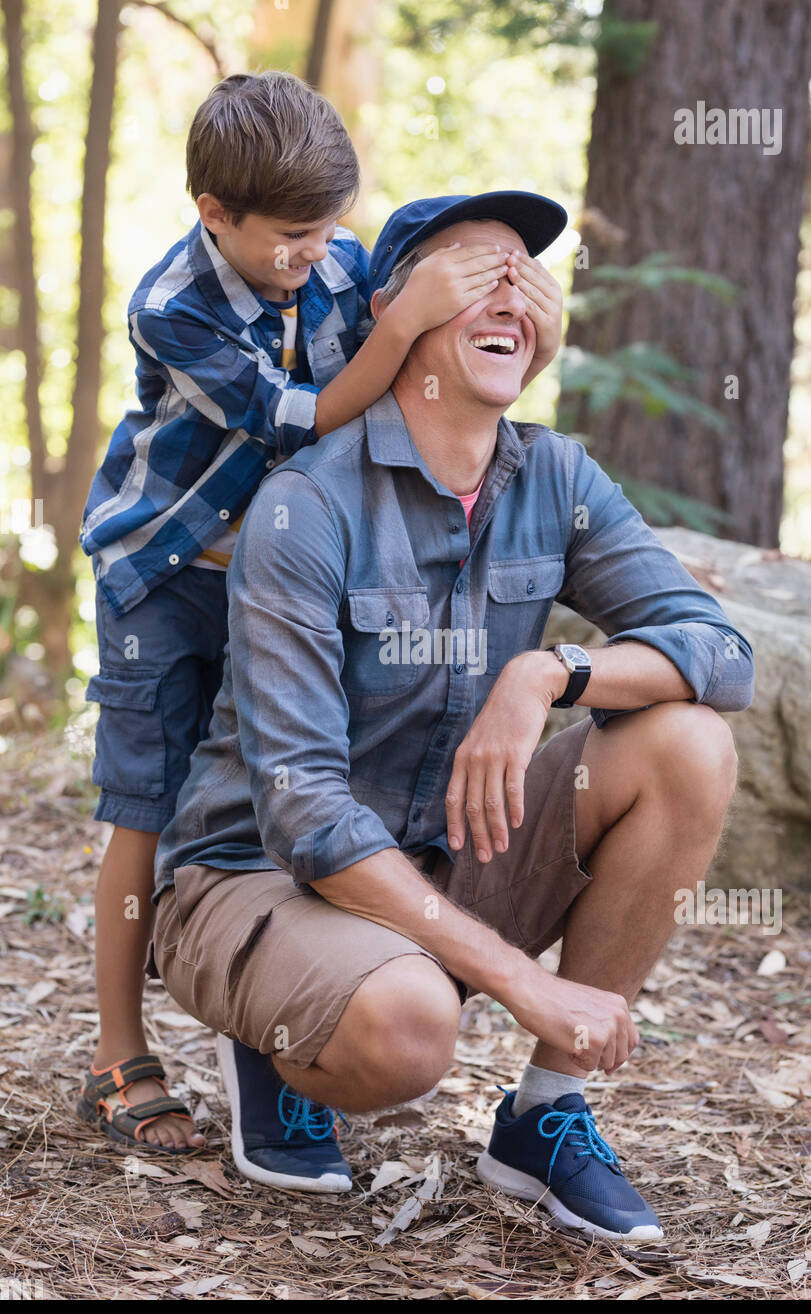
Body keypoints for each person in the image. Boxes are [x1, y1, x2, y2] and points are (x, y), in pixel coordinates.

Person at [151, 191, 754, 1240]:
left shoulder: (554, 475)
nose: (510, 293)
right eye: (477, 270)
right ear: (398, 308)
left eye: (525, 277)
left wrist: (546, 676)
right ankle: (278, 1035)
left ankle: (545, 1115)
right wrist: (523, 981)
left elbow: (720, 653)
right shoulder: (310, 504)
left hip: (437, 854)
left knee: (688, 743)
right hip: (257, 875)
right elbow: (303, 816)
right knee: (406, 1031)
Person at [77, 72, 562, 1168]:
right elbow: (301, 421)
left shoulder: (334, 259)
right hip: (170, 574)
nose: (314, 254)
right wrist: (407, 322)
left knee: (281, 789)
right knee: (146, 805)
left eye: (329, 230)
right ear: (216, 216)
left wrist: (460, 314)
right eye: (292, 238)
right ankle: (120, 1055)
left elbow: (408, 395)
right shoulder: (173, 303)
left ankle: (272, 1002)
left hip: (284, 571)